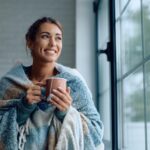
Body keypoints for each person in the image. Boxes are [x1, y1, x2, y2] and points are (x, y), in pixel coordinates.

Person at [0, 17, 104, 150]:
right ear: (30, 42)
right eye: (45, 36)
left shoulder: (74, 83)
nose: (53, 43)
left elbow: (96, 133)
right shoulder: (10, 84)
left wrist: (66, 114)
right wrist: (22, 109)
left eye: (58, 38)